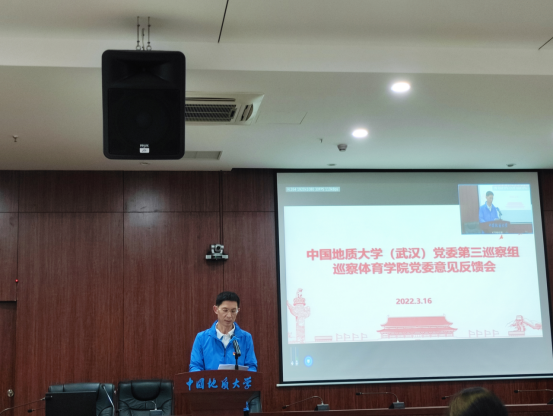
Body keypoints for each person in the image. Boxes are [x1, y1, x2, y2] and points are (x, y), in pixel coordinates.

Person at [189, 291, 257, 372]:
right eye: (225, 310)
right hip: (210, 381)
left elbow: (251, 367)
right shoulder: (202, 338)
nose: (229, 316)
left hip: (237, 381)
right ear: (216, 309)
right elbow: (195, 367)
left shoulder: (246, 338)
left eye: (233, 311)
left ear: (238, 311)